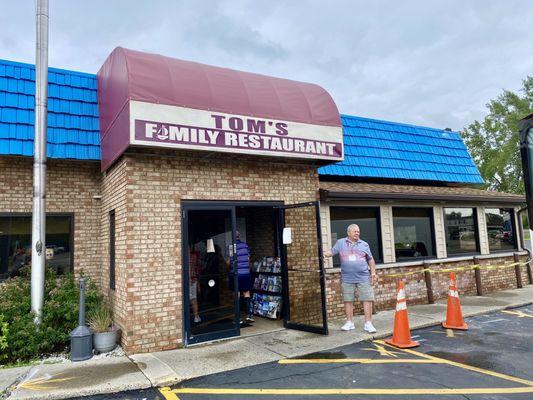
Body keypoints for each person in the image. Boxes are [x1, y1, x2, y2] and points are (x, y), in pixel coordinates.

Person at [324, 224, 378, 333]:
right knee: (348, 300)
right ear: (348, 233)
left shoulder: (364, 244)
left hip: (363, 277)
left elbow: (371, 260)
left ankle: (368, 323)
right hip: (347, 277)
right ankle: (350, 322)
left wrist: (373, 273)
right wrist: (323, 254)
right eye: (355, 231)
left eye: (358, 231)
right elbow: (331, 252)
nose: (357, 233)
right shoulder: (340, 243)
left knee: (367, 299)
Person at [231, 231, 254, 323]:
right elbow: (248, 260)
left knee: (236, 294)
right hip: (245, 273)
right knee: (246, 293)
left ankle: (238, 318)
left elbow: (229, 262)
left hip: (236, 274)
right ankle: (249, 315)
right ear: (238, 236)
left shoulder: (231, 247)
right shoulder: (245, 246)